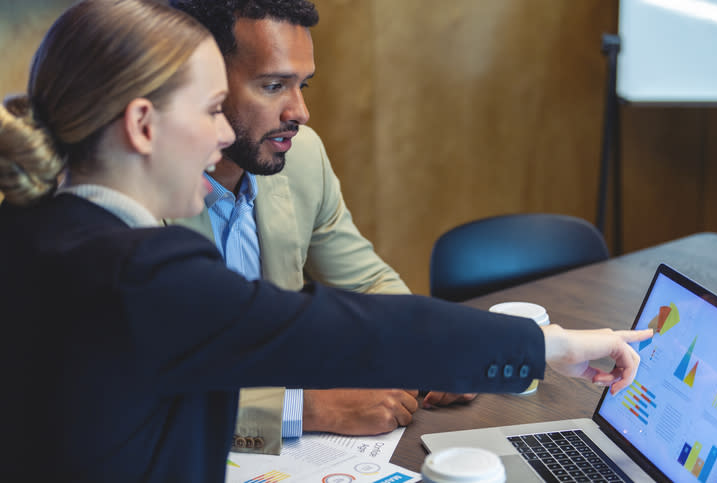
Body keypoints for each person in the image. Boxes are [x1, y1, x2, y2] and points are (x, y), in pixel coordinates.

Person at [0, 0, 652, 481]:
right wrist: (548, 345)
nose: (220, 135)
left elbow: (359, 301)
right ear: (142, 124)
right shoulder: (139, 271)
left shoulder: (36, 232)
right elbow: (343, 329)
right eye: (209, 109)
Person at [166, 0, 475, 453]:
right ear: (202, 82)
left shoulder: (300, 155)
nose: (300, 112)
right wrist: (308, 408)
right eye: (273, 86)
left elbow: (366, 281)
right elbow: (145, 388)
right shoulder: (139, 187)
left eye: (302, 85)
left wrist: (429, 349)